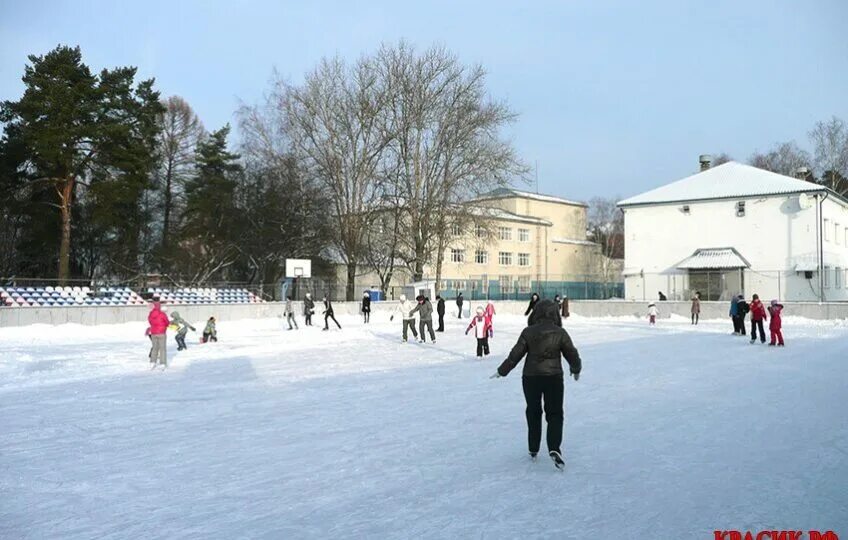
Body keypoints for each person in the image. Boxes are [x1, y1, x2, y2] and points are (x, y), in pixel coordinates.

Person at [491, 299, 582, 470]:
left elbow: (515, 355)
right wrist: (576, 369)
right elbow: (572, 353)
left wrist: (502, 371)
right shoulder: (560, 332)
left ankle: (533, 448)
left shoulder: (528, 332)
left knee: (533, 411)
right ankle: (554, 447)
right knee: (555, 413)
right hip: (553, 377)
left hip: (530, 378)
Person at [148, 301, 169, 367]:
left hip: (153, 333)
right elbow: (167, 322)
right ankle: (162, 363)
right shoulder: (162, 314)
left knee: (154, 348)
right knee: (162, 348)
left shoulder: (150, 314)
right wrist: (164, 326)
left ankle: (152, 362)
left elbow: (150, 322)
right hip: (162, 333)